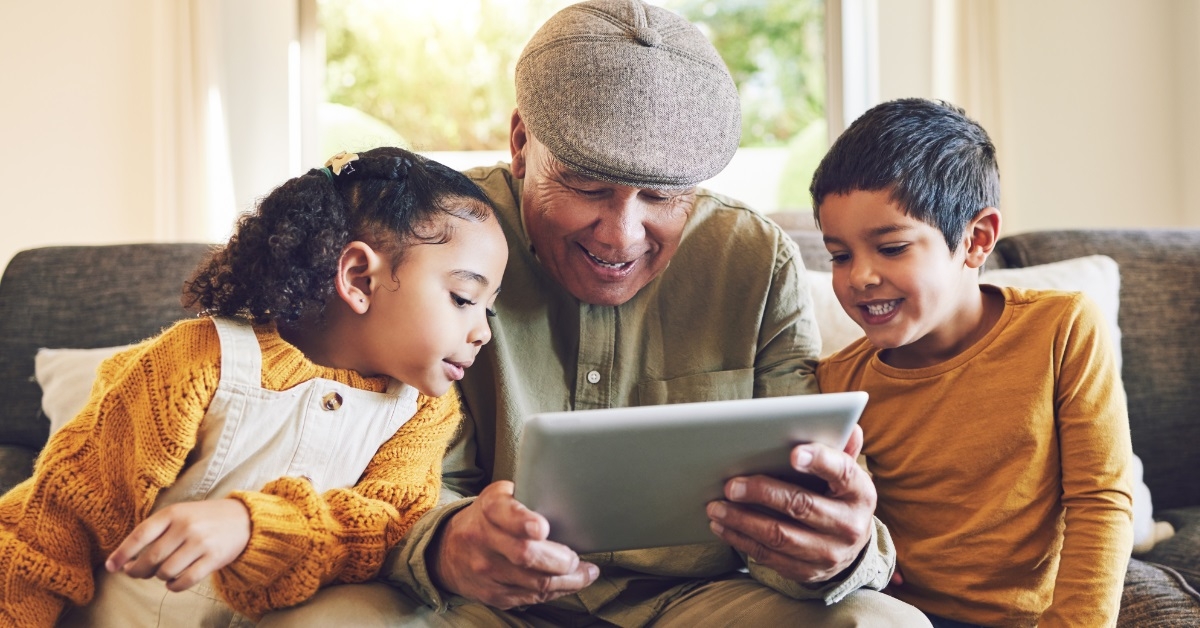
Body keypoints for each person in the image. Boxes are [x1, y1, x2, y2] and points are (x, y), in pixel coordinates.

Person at [262, 2, 930, 626]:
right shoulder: (434, 244)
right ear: (522, 143)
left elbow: (813, 489)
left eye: (663, 196)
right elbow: (376, 470)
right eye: (586, 185)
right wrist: (445, 544)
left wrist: (839, 550)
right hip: (481, 605)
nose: (622, 235)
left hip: (698, 602)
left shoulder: (755, 261)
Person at [0, 147, 509, 626]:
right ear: (358, 278)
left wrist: (251, 526)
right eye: (464, 298)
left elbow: (382, 531)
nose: (484, 331)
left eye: (489, 308)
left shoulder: (423, 411)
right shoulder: (196, 363)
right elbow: (49, 530)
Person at [811, 98, 1134, 627]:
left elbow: (1101, 501)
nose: (860, 277)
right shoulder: (837, 382)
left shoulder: (1063, 328)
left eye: (891, 248)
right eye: (840, 255)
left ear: (976, 239)